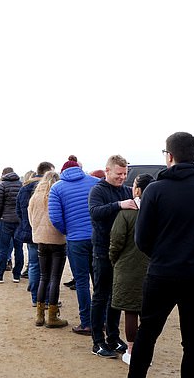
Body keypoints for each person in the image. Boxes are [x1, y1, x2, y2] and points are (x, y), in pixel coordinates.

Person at [129, 132, 194, 378]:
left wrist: (162, 255)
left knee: (148, 334)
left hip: (162, 272)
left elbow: (142, 239)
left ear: (169, 156)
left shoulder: (154, 190)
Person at [88, 154, 136, 358]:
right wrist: (119, 205)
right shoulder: (97, 190)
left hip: (122, 252)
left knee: (116, 297)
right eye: (119, 173)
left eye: (125, 173)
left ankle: (113, 337)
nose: (122, 177)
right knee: (100, 296)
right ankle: (97, 341)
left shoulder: (126, 190)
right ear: (107, 171)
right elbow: (95, 212)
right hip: (102, 250)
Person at [48, 156, 98, 335]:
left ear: (63, 172)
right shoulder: (95, 182)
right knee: (100, 281)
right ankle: (103, 320)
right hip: (96, 237)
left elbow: (55, 218)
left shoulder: (57, 188)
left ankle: (86, 323)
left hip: (76, 240)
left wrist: (68, 230)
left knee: (82, 282)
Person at [110, 173, 154, 365]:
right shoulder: (158, 211)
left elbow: (116, 240)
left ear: (137, 190)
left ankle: (132, 350)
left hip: (127, 267)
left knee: (130, 311)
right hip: (154, 268)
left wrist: (114, 260)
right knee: (149, 313)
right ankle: (146, 351)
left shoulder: (127, 212)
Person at [29, 170, 68, 328]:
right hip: (57, 239)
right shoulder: (58, 195)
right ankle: (52, 316)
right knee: (54, 278)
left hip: (41, 239)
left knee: (43, 277)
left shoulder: (35, 197)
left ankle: (39, 315)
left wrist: (37, 230)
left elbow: (31, 217)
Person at [17, 162, 55, 306]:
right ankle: (47, 298)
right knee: (49, 268)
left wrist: (27, 224)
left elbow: (19, 210)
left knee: (34, 264)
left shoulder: (25, 187)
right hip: (48, 233)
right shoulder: (51, 187)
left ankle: (35, 298)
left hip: (30, 231)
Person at [0, 167, 22, 283]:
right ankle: (17, 275)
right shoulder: (21, 185)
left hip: (5, 220)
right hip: (18, 221)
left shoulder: (2, 185)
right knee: (19, 249)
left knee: (3, 249)